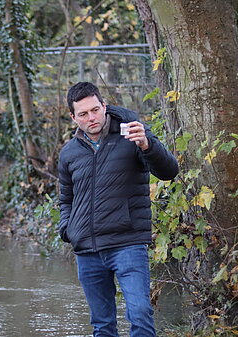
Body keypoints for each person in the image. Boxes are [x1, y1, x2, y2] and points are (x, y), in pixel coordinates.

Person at [57, 82, 178, 337]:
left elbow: (169, 172)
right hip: (87, 250)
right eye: (83, 114)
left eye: (95, 110)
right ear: (73, 117)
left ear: (104, 106)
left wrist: (147, 145)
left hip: (127, 243)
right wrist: (68, 229)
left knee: (140, 313)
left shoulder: (133, 134)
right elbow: (66, 199)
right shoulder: (69, 153)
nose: (91, 118)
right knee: (102, 325)